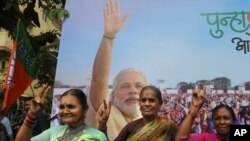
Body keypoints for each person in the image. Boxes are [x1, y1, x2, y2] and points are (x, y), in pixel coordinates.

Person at [85, 0, 148, 140]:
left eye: (139, 85)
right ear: (112, 96)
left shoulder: (154, 123)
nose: (133, 90)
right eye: (125, 86)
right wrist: (108, 37)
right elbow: (99, 81)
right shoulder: (105, 113)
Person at [15, 85, 108, 141]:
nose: (65, 111)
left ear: (84, 110)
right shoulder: (55, 131)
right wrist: (32, 114)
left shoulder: (96, 136)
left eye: (71, 107)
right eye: (62, 107)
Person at [99, 85, 177, 141]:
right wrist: (102, 124)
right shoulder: (131, 127)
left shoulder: (168, 127)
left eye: (151, 100)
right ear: (139, 103)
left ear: (160, 104)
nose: (146, 104)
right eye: (143, 100)